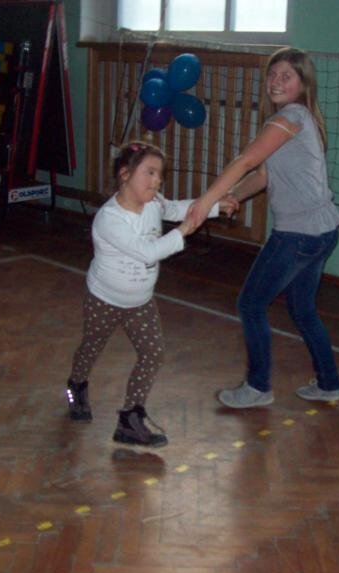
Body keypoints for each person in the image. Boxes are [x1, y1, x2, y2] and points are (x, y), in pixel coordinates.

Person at [187, 47, 339, 409]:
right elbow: (262, 175)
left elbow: (246, 160)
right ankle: (329, 383)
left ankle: (258, 387)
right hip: (322, 232)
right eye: (272, 74)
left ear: (303, 83)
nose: (276, 81)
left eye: (286, 76)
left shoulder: (290, 117)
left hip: (299, 235)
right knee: (302, 310)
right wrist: (233, 196)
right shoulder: (295, 119)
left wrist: (206, 202)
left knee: (251, 304)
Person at [65, 140, 238, 446]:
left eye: (160, 174)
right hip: (104, 299)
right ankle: (76, 387)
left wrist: (213, 206)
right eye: (150, 173)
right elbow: (147, 252)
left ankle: (130, 419)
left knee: (153, 354)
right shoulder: (110, 219)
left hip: (140, 302)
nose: (157, 181)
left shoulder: (154, 202)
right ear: (125, 174)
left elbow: (175, 208)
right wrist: (184, 230)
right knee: (91, 347)